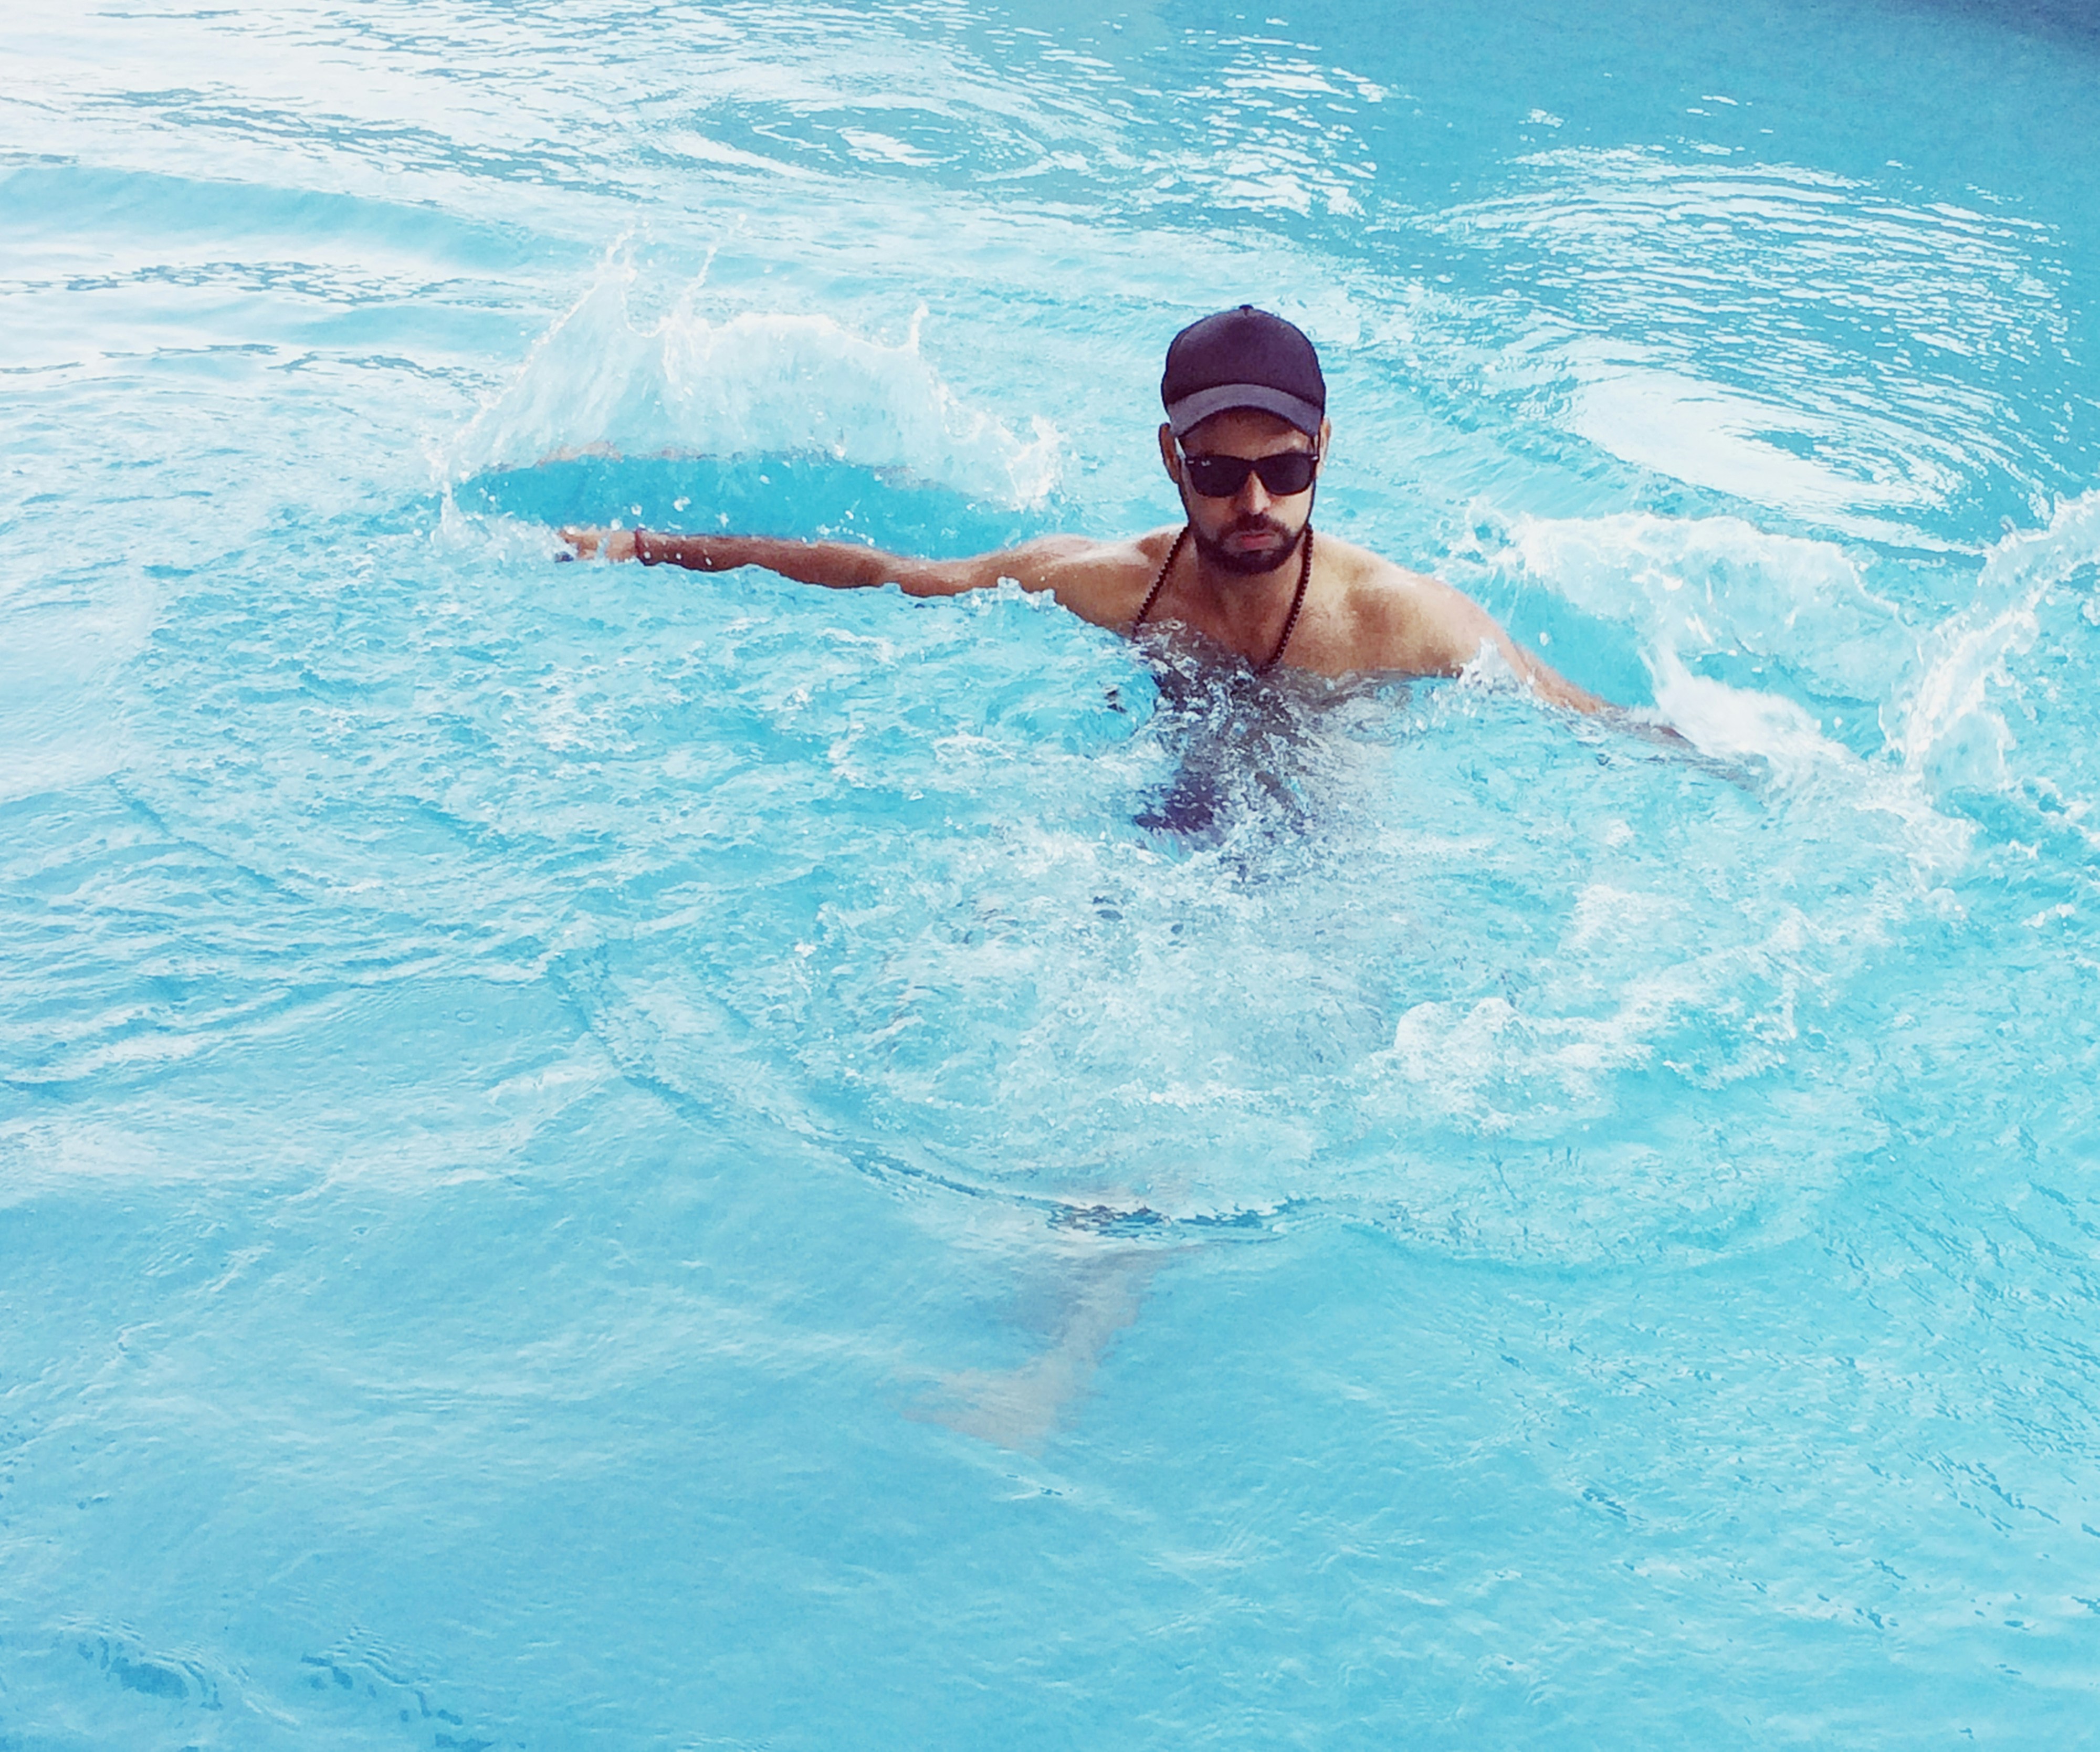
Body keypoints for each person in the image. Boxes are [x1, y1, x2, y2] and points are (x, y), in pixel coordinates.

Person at [559, 305, 1604, 713]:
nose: (1252, 502)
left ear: (1322, 453)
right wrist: (650, 546)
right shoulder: (1109, 585)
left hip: (1326, 828)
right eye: (1216, 472)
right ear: (1168, 459)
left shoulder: (1400, 618)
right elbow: (884, 573)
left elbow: (1579, 714)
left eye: (1282, 472)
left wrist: (1740, 759)